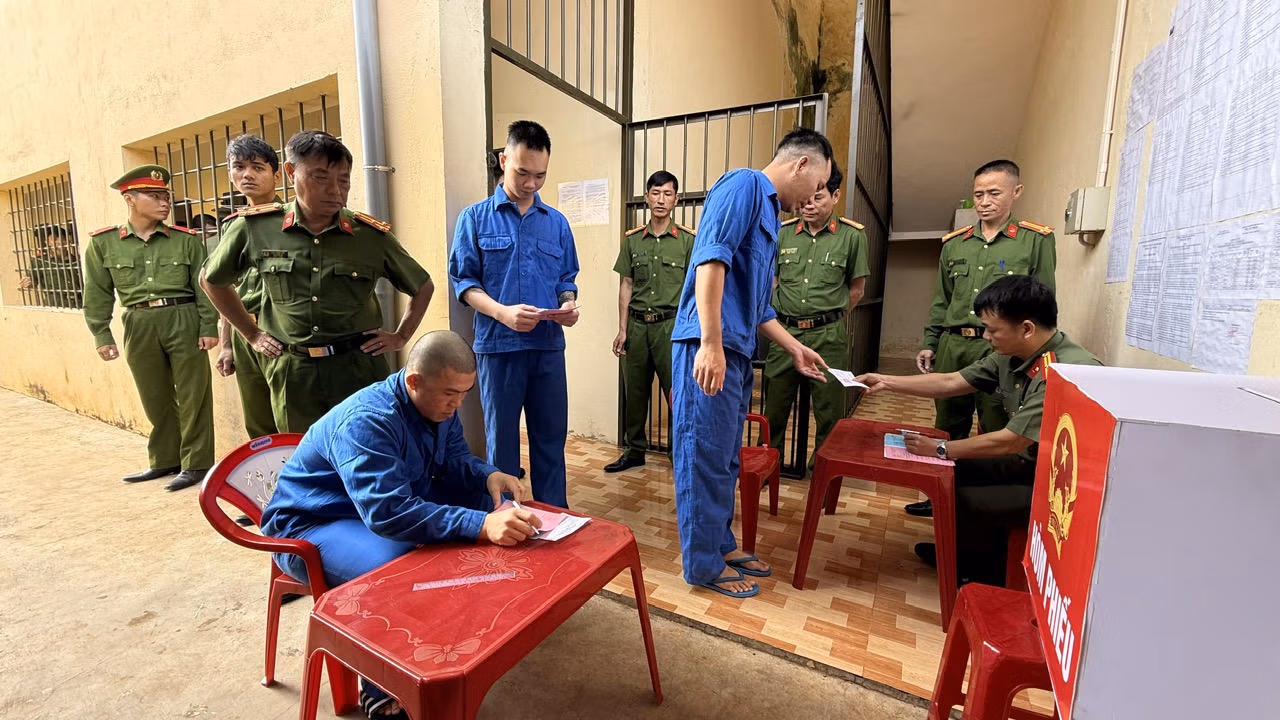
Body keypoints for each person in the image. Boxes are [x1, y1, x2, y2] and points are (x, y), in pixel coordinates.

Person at [261, 330, 540, 720]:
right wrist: (480, 524)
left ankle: (461, 627)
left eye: (464, 393)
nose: (457, 403)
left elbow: (454, 459)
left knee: (486, 502)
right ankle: (382, 686)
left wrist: (487, 475)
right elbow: (389, 513)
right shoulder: (369, 421)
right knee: (397, 568)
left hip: (368, 509)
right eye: (449, 394)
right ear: (414, 381)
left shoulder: (439, 407)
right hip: (311, 524)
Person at [670, 127, 833, 598]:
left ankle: (720, 545)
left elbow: (758, 307)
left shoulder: (769, 213)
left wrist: (795, 347)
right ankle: (702, 564)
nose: (814, 196)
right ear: (801, 164)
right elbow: (711, 262)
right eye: (818, 184)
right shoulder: (743, 185)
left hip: (736, 351)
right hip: (709, 347)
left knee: (724, 458)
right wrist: (710, 343)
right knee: (702, 454)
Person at [858, 275, 1099, 585]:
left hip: (1059, 486)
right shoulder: (1013, 355)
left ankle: (982, 576)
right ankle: (958, 555)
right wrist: (885, 381)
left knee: (970, 496)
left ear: (1026, 328)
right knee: (954, 474)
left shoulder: (1063, 371)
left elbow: (1011, 441)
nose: (985, 336)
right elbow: (951, 381)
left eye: (992, 329)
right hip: (1031, 463)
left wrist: (941, 449)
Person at [201, 130, 435, 433]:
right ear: (290, 172)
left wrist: (401, 336)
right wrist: (252, 334)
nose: (335, 190)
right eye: (320, 178)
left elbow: (422, 286)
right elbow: (211, 280)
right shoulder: (256, 228)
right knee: (298, 453)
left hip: (357, 368)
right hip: (294, 372)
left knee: (365, 446)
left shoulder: (369, 236)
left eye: (344, 180)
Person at [908, 159, 1056, 519]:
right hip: (955, 343)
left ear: (1016, 192)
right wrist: (930, 341)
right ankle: (938, 497)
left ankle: (983, 505)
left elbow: (1042, 303)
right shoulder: (954, 244)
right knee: (948, 422)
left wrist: (1029, 354)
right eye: (978, 195)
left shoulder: (1035, 241)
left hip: (1003, 349)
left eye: (994, 193)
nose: (984, 202)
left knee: (996, 424)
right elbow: (941, 299)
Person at [448, 120, 580, 508]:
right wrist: (502, 313)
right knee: (501, 442)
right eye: (523, 172)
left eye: (540, 175)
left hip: (547, 347)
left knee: (551, 440)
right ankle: (505, 515)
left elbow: (566, 279)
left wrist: (568, 304)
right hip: (498, 348)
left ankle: (554, 514)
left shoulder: (556, 223)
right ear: (504, 160)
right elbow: (464, 283)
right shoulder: (475, 218)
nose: (531, 183)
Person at [82, 165, 218, 491]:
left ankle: (197, 464)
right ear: (129, 199)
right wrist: (101, 334)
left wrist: (208, 325)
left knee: (193, 395)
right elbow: (97, 293)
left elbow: (203, 288)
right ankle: (165, 459)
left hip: (183, 317)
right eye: (154, 196)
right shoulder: (103, 243)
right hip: (137, 321)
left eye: (166, 196)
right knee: (153, 395)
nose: (164, 202)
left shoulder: (186, 241)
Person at [764, 160, 868, 469]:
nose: (809, 204)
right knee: (774, 408)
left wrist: (829, 318)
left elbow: (857, 290)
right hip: (785, 333)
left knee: (829, 410)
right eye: (806, 197)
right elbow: (773, 281)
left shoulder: (852, 237)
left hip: (828, 336)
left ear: (835, 196)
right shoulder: (783, 233)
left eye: (818, 197)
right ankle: (768, 465)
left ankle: (822, 471)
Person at [606, 170, 693, 472]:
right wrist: (622, 329)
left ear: (676, 199)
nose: (661, 199)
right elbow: (626, 285)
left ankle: (678, 453)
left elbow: (694, 289)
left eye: (667, 193)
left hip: (671, 327)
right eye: (655, 193)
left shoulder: (687, 241)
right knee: (635, 392)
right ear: (646, 197)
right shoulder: (633, 241)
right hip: (637, 327)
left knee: (677, 392)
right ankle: (634, 450)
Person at [213, 134, 283, 442]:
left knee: (289, 419)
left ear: (276, 176)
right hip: (247, 331)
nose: (247, 175)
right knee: (258, 424)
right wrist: (227, 344)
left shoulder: (292, 220)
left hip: (281, 331)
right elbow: (225, 287)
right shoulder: (232, 225)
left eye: (257, 167)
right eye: (239, 167)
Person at [20, 225, 83, 309]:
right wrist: (27, 283)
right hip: (55, 307)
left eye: (62, 238)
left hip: (79, 305)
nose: (59, 242)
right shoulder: (40, 261)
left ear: (68, 241)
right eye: (54, 239)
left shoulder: (77, 261)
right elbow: (32, 281)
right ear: (47, 242)